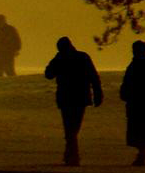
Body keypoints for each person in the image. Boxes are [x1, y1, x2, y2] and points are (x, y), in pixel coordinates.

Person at [44, 36, 103, 166]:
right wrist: (98, 93)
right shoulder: (83, 57)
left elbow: (48, 74)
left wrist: (56, 59)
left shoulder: (60, 58)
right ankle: (71, 154)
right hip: (80, 97)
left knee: (69, 127)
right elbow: (94, 77)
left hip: (66, 98)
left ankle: (71, 154)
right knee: (74, 127)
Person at [120, 39, 145, 166]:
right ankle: (142, 152)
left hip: (141, 103)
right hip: (141, 102)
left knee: (140, 128)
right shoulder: (142, 64)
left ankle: (142, 153)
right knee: (140, 128)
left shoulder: (143, 64)